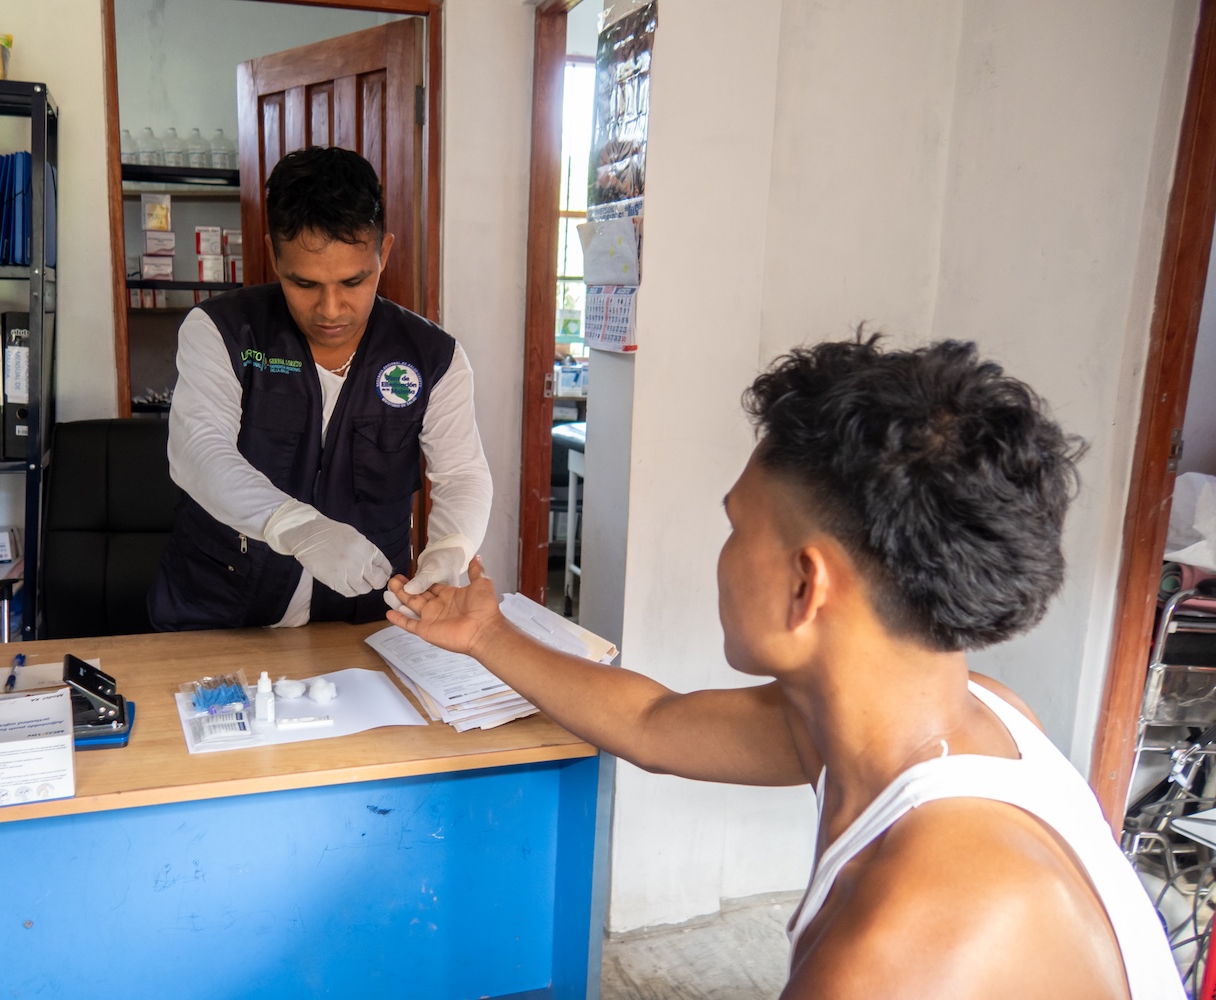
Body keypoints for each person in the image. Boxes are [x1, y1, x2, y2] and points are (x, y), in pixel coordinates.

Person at [385, 336, 1183, 998]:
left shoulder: (902, 947)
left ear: (808, 585)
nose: (724, 553)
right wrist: (487, 634)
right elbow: (654, 724)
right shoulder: (958, 712)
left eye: (737, 527)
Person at [149, 146, 491, 631]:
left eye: (354, 281)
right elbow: (199, 451)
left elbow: (462, 475)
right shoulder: (221, 331)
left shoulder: (433, 358)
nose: (331, 309)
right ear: (273, 255)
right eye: (304, 284)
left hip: (363, 622)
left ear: (384, 253)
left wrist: (451, 548)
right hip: (219, 613)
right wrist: (296, 526)